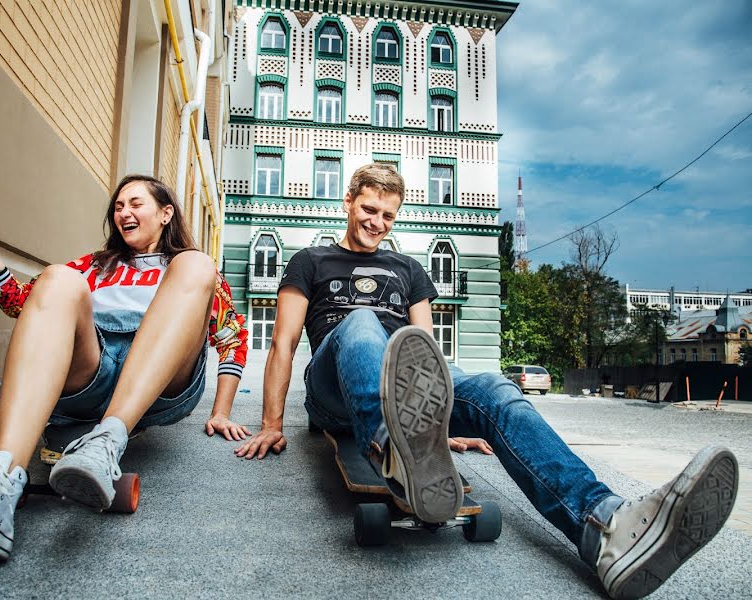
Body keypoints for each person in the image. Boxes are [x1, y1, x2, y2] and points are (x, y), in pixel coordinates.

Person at [236, 163, 738, 599]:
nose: (377, 223)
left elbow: (423, 352)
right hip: (337, 389)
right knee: (363, 322)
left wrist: (436, 420)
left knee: (497, 389)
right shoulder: (310, 261)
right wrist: (271, 421)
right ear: (349, 202)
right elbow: (282, 342)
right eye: (369, 209)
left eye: (388, 216)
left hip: (404, 384)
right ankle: (393, 450)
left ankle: (606, 528)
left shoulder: (408, 268)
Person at [0, 168, 250, 560]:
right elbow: (17, 300)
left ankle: (107, 442)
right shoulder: (94, 265)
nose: (124, 212)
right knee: (55, 279)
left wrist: (222, 411)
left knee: (196, 264)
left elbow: (232, 338)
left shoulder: (189, 268)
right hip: (92, 370)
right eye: (118, 206)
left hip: (163, 382)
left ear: (166, 213)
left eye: (136, 203)